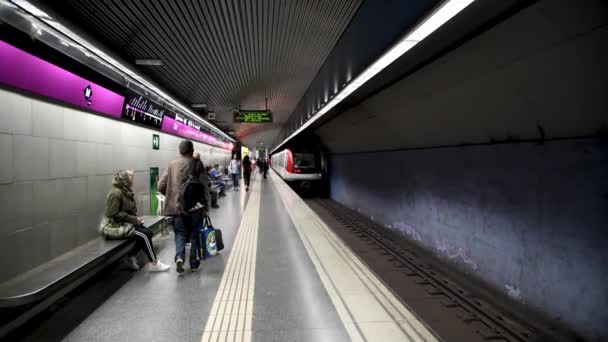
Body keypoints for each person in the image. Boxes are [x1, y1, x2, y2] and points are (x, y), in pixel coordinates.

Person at [158, 140, 210, 274]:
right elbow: (204, 186)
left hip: (178, 208)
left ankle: (180, 257)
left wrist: (173, 195)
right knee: (194, 234)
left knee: (180, 233)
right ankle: (193, 263)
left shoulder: (172, 165)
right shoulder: (198, 164)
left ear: (180, 151)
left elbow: (160, 186)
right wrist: (207, 207)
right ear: (192, 151)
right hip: (196, 208)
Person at [105, 170, 170, 272]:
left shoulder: (123, 191)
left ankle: (130, 256)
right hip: (117, 227)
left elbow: (128, 209)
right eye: (131, 179)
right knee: (144, 236)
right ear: (125, 181)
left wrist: (136, 220)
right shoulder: (115, 193)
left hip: (127, 223)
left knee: (148, 232)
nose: (133, 182)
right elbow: (112, 214)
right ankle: (154, 263)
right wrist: (134, 219)